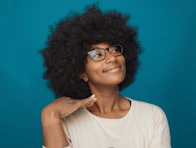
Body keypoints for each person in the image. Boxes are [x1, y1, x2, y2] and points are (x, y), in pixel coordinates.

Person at [41, 4, 171, 148]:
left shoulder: (152, 116)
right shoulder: (64, 122)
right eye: (97, 54)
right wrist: (49, 116)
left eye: (115, 50)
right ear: (81, 72)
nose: (112, 58)